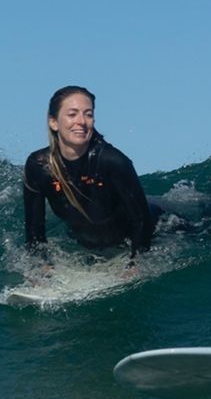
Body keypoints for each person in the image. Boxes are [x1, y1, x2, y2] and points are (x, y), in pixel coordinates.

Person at [23, 86, 159, 266]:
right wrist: (41, 266)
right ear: (53, 122)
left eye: (88, 114)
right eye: (72, 114)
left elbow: (142, 220)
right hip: (93, 243)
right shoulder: (39, 166)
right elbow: (34, 228)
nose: (81, 121)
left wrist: (136, 263)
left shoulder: (112, 161)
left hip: (159, 230)